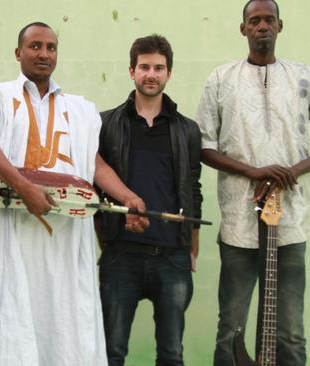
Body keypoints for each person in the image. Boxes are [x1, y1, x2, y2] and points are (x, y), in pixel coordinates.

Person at [0, 22, 147, 366]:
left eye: (51, 47)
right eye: (35, 46)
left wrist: (126, 196)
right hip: (11, 234)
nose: (44, 54)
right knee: (13, 320)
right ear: (18, 53)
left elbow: (92, 163)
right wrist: (23, 187)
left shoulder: (79, 109)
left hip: (66, 238)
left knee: (65, 325)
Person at [195, 1, 310, 365]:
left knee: (291, 334)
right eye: (254, 20)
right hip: (238, 224)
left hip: (291, 223)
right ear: (243, 29)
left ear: (281, 26)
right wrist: (252, 172)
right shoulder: (221, 78)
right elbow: (203, 145)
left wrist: (291, 172)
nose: (262, 26)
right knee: (229, 329)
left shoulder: (302, 77)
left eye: (268, 20)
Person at [96, 34, 203, 366]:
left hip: (172, 258)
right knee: (111, 352)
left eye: (159, 67)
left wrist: (192, 249)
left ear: (169, 73)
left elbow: (193, 190)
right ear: (131, 71)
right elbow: (95, 185)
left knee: (171, 354)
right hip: (120, 257)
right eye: (144, 67)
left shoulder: (187, 129)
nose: (151, 74)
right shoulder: (106, 123)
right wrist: (106, 238)